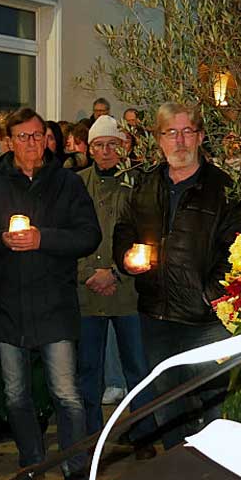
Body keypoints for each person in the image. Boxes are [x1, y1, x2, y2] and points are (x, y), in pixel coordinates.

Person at [0, 108, 101, 480]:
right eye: (23, 137)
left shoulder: (66, 183)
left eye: (38, 136)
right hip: (8, 304)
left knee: (66, 393)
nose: (32, 144)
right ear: (9, 141)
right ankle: (32, 465)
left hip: (54, 303)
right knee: (15, 394)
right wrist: (2, 241)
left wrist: (42, 238)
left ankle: (76, 474)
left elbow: (88, 236)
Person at [113, 102, 241, 449]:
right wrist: (126, 257)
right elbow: (124, 229)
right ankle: (179, 479)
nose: (180, 141)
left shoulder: (224, 188)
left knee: (214, 407)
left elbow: (238, 246)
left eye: (188, 131)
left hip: (206, 321)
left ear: (201, 137)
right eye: (171, 132)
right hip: (157, 316)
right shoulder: (144, 186)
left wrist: (209, 294)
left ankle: (219, 478)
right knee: (168, 408)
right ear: (159, 139)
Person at [76, 117, 152, 449]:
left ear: (125, 147)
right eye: (98, 145)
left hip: (129, 291)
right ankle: (91, 434)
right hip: (87, 290)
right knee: (88, 369)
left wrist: (117, 273)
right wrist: (89, 273)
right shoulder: (76, 184)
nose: (106, 151)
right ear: (89, 149)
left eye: (112, 144)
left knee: (137, 367)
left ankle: (144, 432)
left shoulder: (139, 184)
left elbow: (148, 234)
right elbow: (70, 234)